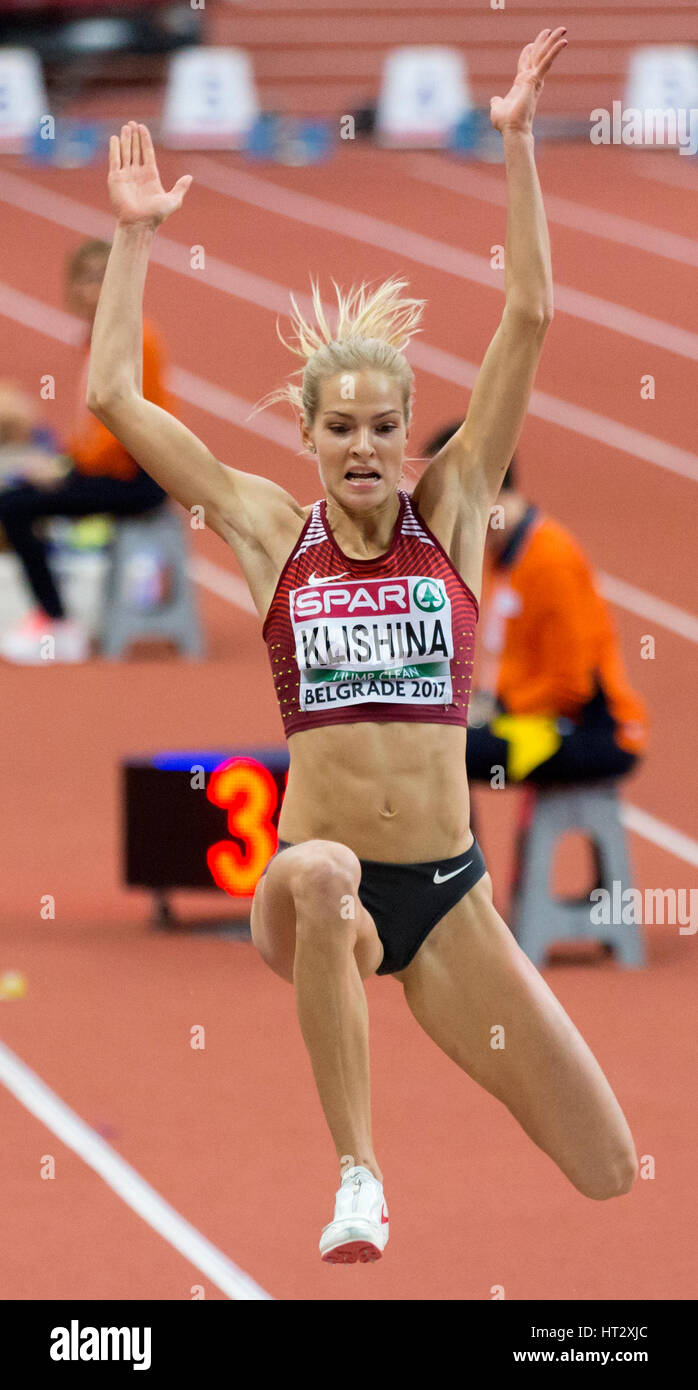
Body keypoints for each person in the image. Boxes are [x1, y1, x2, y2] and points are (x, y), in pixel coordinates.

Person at [88, 31, 638, 1267]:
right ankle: (357, 1174)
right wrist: (133, 236)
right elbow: (117, 399)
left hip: (444, 893)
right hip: (309, 886)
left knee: (608, 1167)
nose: (364, 447)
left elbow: (532, 311)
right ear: (308, 434)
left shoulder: (451, 517)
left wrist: (511, 144)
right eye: (340, 428)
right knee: (329, 872)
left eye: (384, 426)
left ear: (404, 436)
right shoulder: (266, 531)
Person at [420, 433, 648, 788]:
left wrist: (498, 709)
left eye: (445, 496)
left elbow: (573, 686)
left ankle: (460, 846)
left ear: (484, 487)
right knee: (431, 738)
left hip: (592, 730)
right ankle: (458, 842)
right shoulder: (505, 552)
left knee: (444, 751)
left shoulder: (550, 559)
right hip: (533, 717)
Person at [0, 239, 168, 663]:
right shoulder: (99, 337)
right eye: (85, 279)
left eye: (103, 278)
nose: (93, 289)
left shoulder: (133, 337)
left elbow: (128, 430)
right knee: (20, 488)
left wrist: (65, 470)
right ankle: (54, 610)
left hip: (138, 478)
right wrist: (62, 462)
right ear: (70, 288)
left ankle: (58, 623)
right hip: (112, 469)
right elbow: (95, 431)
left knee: (14, 506)